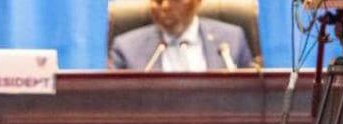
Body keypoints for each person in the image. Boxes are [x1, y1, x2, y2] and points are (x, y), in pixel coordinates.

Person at [109, 0, 254, 71]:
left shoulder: (232, 39)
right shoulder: (126, 48)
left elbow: (250, 98)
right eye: (158, 1)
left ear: (197, 2)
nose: (165, 6)